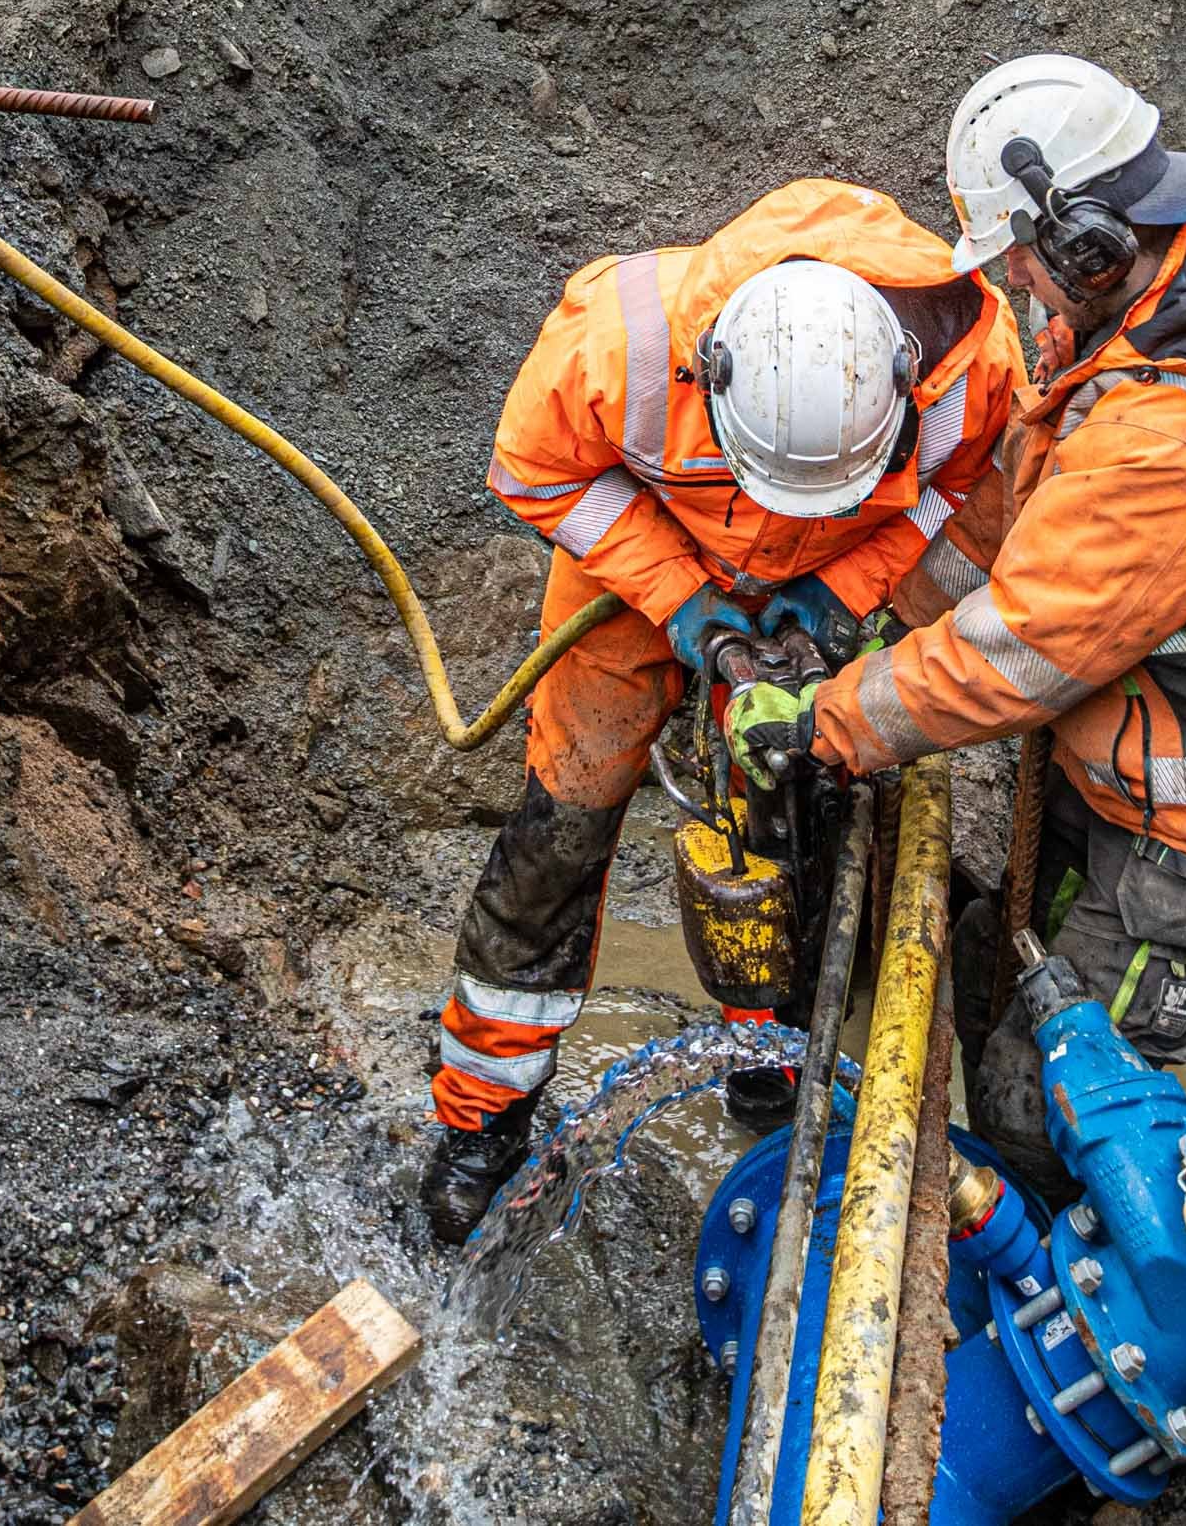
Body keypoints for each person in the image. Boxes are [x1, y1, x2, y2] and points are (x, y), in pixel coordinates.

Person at [729, 55, 1186, 1176]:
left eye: (1025, 259)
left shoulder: (1177, 431)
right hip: (1146, 741)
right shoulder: (1177, 288)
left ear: (1083, 235)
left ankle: (1089, 1314)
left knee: (1054, 1099)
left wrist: (825, 723)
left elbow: (1024, 647)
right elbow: (1037, 519)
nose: (1022, 283)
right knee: (1000, 962)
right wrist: (868, 603)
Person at [422, 180, 1028, 1244]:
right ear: (715, 380)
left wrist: (834, 604)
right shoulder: (616, 345)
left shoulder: (969, 368)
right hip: (636, 578)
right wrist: (693, 608)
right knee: (555, 837)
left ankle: (768, 1072)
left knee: (789, 825)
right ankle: (484, 1119)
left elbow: (958, 498)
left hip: (824, 582)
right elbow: (537, 475)